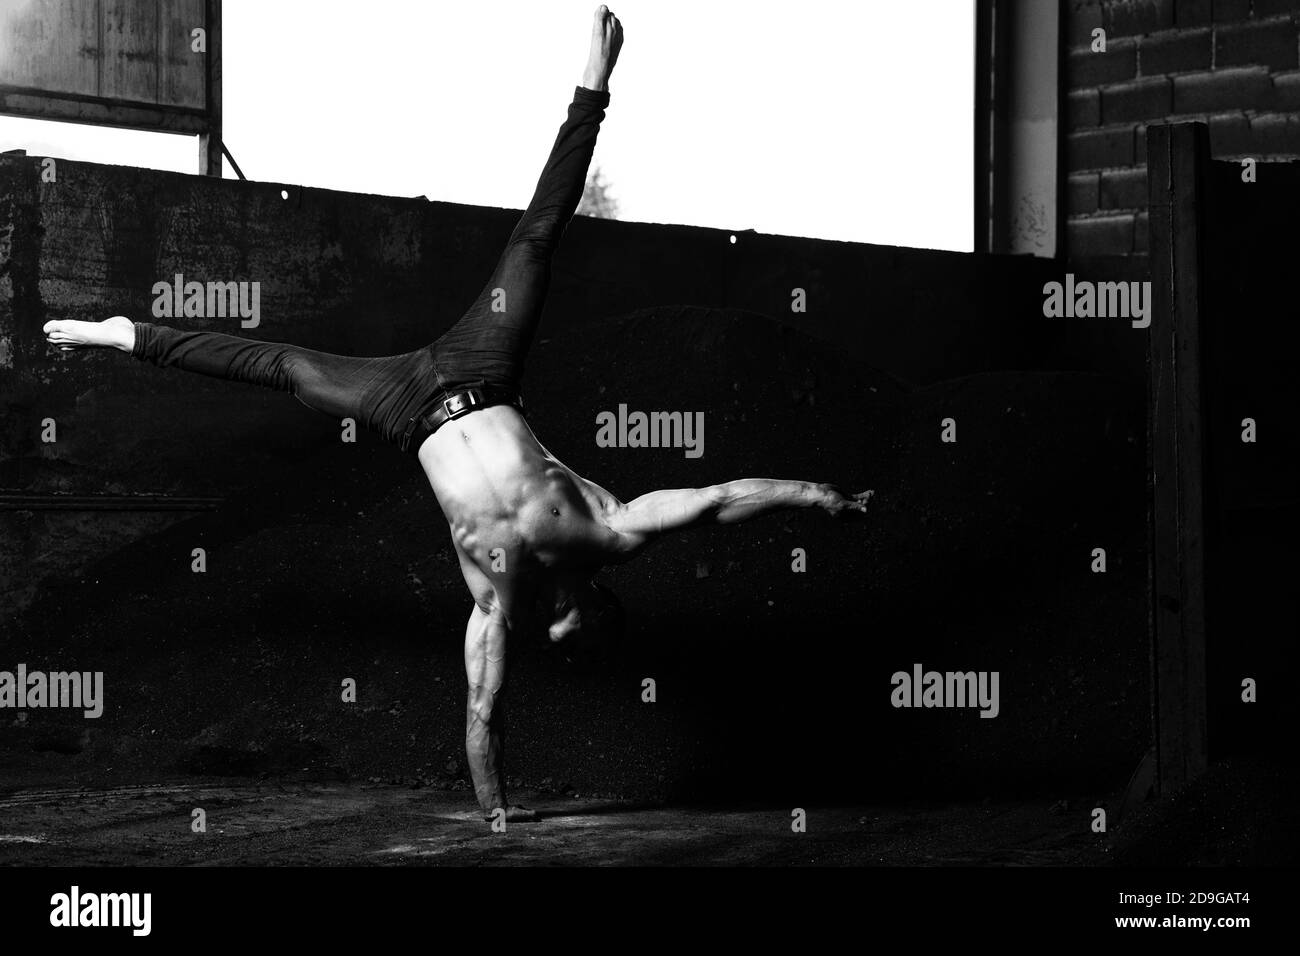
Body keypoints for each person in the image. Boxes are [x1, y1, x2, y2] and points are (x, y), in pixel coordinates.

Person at [44, 5, 872, 822]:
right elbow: (723, 500)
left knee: (285, 366)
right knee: (536, 241)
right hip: (483, 366)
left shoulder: (495, 607)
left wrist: (496, 814)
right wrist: (819, 496)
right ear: (596, 608)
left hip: (406, 407)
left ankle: (132, 335)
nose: (576, 651)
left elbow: (482, 715)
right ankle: (592, 86)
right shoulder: (611, 529)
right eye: (589, 643)